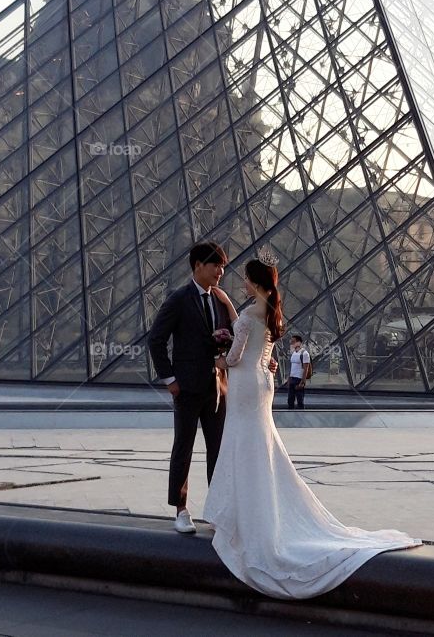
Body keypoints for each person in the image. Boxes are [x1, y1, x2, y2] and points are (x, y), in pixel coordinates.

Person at [203, 254, 419, 599]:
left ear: (256, 283)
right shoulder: (270, 312)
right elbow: (265, 354)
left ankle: (240, 515)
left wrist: (215, 357)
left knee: (242, 442)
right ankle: (244, 509)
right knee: (259, 442)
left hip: (244, 385)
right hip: (264, 384)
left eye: (245, 278)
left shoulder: (246, 317)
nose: (241, 283)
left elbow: (233, 358)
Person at [147, 242, 239, 535]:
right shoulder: (178, 299)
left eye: (223, 266)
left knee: (218, 451)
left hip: (216, 388)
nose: (221, 271)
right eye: (216, 265)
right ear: (198, 265)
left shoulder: (219, 301)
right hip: (187, 388)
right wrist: (170, 380)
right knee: (183, 449)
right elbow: (156, 340)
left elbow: (233, 339)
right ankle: (181, 509)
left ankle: (216, 510)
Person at [287, 334, 311, 409]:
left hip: (299, 379)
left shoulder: (304, 354)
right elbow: (292, 367)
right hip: (292, 378)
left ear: (299, 342)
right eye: (291, 341)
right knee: (290, 400)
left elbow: (306, 368)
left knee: (300, 400)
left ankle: (301, 415)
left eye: (293, 341)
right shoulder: (294, 353)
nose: (291, 343)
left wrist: (302, 381)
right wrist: (289, 378)